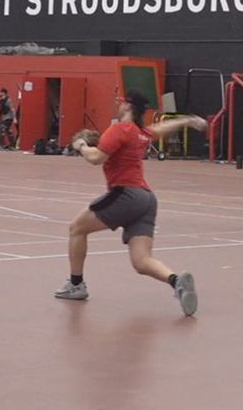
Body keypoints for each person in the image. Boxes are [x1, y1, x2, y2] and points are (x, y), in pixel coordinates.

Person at [55, 89, 208, 316]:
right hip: (147, 200)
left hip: (126, 194)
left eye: (121, 102)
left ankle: (76, 285)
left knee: (76, 228)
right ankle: (176, 281)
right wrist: (187, 120)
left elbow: (96, 158)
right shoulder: (139, 132)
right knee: (141, 261)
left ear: (127, 106)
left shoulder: (120, 128)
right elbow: (158, 129)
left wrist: (81, 146)